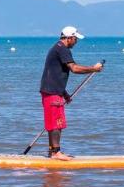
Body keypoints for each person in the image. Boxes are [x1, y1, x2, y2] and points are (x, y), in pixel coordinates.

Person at [39, 26, 102, 160]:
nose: (76, 41)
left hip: (50, 90)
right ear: (69, 38)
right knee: (56, 123)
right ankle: (56, 152)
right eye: (75, 39)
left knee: (52, 123)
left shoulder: (57, 47)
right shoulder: (62, 49)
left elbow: (55, 74)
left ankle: (52, 152)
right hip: (52, 92)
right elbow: (74, 68)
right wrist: (93, 69)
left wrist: (64, 92)